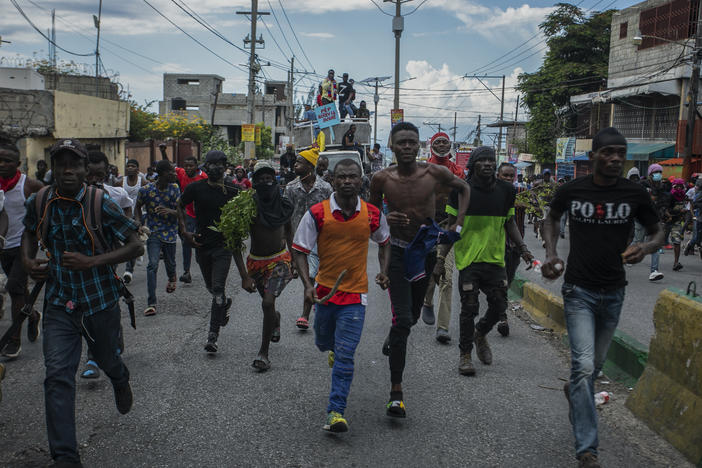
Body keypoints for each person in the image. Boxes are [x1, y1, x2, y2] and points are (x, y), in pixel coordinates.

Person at [541, 127, 663, 468]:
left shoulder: (633, 193)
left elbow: (657, 231)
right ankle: (587, 450)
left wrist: (646, 247)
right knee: (583, 365)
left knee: (592, 369)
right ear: (593, 156)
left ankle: (576, 395)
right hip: (578, 289)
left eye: (620, 153)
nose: (615, 159)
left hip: (614, 293)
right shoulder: (572, 189)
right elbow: (550, 219)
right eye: (608, 152)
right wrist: (550, 252)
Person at [21, 138, 143, 467]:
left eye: (74, 164)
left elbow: (136, 246)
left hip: (99, 301)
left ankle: (119, 378)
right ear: (54, 169)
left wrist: (92, 262)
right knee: (57, 376)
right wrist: (29, 262)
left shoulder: (100, 203)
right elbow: (29, 232)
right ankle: (65, 457)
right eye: (61, 164)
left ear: (86, 169)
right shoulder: (40, 200)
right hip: (59, 303)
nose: (67, 170)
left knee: (107, 359)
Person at [369, 122, 469, 417]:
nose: (408, 147)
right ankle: (396, 391)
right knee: (403, 320)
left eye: (412, 142)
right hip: (398, 252)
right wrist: (388, 220)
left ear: (419, 145)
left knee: (409, 317)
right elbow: (372, 218)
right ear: (392, 145)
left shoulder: (434, 173)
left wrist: (458, 225)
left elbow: (464, 188)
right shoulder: (381, 178)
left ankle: (396, 331)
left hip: (424, 251)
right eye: (402, 142)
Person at [292, 158, 390, 433]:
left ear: (361, 181)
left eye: (353, 177)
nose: (348, 181)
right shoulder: (317, 213)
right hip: (323, 294)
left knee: (346, 355)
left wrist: (383, 271)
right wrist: (307, 285)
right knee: (324, 342)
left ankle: (336, 412)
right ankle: (330, 348)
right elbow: (299, 249)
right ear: (333, 181)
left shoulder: (371, 214)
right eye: (342, 177)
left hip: (355, 297)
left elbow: (385, 241)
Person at [436, 147, 533, 376]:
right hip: (469, 259)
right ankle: (465, 355)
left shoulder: (507, 190)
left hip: (495, 259)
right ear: (473, 164)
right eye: (482, 161)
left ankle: (481, 333)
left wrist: (523, 248)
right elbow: (452, 226)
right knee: (469, 307)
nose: (488, 164)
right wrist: (440, 259)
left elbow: (509, 222)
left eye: (491, 160)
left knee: (500, 305)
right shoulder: (460, 191)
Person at [232, 161, 294, 371]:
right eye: (260, 179)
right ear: (254, 182)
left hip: (280, 260)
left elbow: (289, 231)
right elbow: (234, 241)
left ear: (274, 179)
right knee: (269, 306)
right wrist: (244, 276)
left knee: (267, 303)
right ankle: (275, 319)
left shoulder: (283, 203)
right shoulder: (246, 205)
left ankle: (263, 353)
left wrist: (294, 260)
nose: (265, 182)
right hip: (256, 263)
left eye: (269, 178)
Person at [81, 150, 135, 379]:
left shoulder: (116, 195)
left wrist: (128, 236)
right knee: (86, 309)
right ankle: (98, 352)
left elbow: (129, 220)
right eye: (89, 175)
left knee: (103, 307)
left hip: (107, 261)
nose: (94, 180)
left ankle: (97, 355)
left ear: (107, 174)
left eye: (99, 175)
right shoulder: (70, 197)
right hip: (78, 263)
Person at [178, 150, 238, 353]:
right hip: (202, 246)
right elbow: (179, 205)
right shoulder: (195, 188)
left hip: (223, 247)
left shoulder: (233, 190)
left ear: (224, 166)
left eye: (218, 164)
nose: (214, 167)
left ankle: (212, 336)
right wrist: (185, 231)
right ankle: (224, 303)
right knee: (212, 288)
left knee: (218, 288)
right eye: (210, 164)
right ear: (206, 166)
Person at [0, 138, 43, 359]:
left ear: (18, 164)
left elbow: (49, 200)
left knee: (16, 287)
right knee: (21, 290)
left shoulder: (29, 185)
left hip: (24, 245)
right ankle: (33, 315)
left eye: (7, 161)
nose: (2, 164)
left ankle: (13, 341)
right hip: (2, 247)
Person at [421, 132, 464, 341]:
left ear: (450, 145)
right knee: (431, 271)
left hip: (449, 225)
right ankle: (427, 301)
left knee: (446, 275)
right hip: (428, 226)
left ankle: (443, 327)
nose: (441, 145)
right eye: (437, 142)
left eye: (444, 142)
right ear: (431, 145)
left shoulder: (458, 172)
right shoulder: (423, 170)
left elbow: (465, 198)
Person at [284, 147, 333, 330]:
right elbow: (286, 217)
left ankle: (311, 307)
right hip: (299, 239)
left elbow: (331, 212)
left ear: (310, 166)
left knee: (317, 275)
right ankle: (306, 313)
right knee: (310, 275)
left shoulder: (325, 188)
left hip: (320, 238)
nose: (295, 165)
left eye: (299, 162)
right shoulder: (290, 188)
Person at [135, 160, 180, 316]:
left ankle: (172, 276)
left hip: (170, 232)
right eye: (171, 172)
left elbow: (180, 212)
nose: (175, 174)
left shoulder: (175, 189)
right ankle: (151, 303)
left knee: (171, 263)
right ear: (162, 174)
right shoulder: (146, 190)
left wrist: (169, 211)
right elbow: (137, 209)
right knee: (152, 265)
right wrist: (139, 224)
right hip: (153, 232)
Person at [497, 162, 527, 337]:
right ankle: (502, 317)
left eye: (511, 176)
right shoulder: (493, 194)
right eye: (505, 175)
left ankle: (498, 308)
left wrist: (528, 207)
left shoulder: (523, 193)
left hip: (515, 246)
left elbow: (539, 211)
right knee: (500, 282)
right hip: (497, 245)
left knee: (507, 281)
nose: (508, 178)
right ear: (498, 176)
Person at [172, 156, 208, 284]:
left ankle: (203, 260)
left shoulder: (203, 178)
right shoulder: (182, 173)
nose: (187, 168)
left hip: (202, 214)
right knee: (186, 240)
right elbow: (171, 166)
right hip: (188, 214)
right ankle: (187, 271)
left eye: (190, 166)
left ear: (196, 166)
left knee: (201, 240)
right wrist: (163, 152)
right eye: (186, 166)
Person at [117, 159, 148, 284]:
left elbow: (148, 197)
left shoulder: (143, 182)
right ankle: (139, 250)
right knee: (128, 242)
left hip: (139, 215)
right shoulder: (120, 182)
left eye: (133, 166)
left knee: (132, 240)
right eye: (128, 166)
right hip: (125, 216)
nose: (130, 168)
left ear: (137, 169)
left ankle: (128, 271)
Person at [640, 164, 670, 281]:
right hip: (641, 218)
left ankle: (654, 271)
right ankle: (620, 261)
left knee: (655, 244)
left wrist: (663, 214)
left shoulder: (663, 187)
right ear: (650, 174)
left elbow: (664, 202)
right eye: (656, 172)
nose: (658, 174)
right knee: (637, 241)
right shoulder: (643, 185)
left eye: (660, 172)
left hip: (655, 220)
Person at [668, 178, 688, 271]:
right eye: (677, 186)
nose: (679, 188)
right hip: (666, 221)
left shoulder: (684, 196)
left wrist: (683, 212)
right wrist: (679, 210)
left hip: (677, 222)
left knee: (677, 242)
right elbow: (666, 209)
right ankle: (654, 267)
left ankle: (676, 263)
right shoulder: (670, 196)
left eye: (681, 186)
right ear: (674, 186)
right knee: (658, 241)